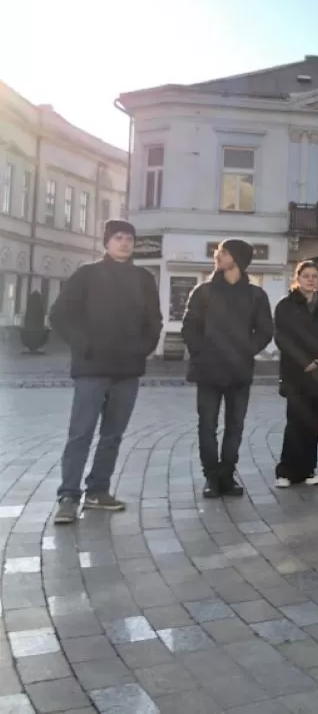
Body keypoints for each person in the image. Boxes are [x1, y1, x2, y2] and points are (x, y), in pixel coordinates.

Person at [49, 220, 162, 525]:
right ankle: (68, 496)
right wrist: (83, 344)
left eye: (129, 238)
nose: (124, 243)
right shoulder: (87, 274)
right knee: (80, 434)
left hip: (127, 370)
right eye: (118, 238)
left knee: (112, 435)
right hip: (91, 369)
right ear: (107, 242)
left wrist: (143, 348)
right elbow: (59, 315)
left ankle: (98, 491)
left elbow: (154, 320)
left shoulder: (144, 279)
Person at [181, 239, 274, 498]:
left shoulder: (256, 295)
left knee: (235, 426)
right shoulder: (204, 292)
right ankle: (211, 477)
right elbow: (189, 327)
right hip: (208, 371)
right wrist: (202, 351)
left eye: (223, 252)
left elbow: (266, 330)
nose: (217, 255)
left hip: (239, 371)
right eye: (218, 251)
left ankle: (227, 475)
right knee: (207, 426)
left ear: (238, 259)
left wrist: (246, 349)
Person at [273, 260, 318, 487]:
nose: (310, 280)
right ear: (297, 279)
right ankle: (286, 471)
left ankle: (308, 469)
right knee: (295, 422)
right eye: (306, 276)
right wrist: (304, 361)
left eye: (314, 276)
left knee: (313, 423)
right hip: (295, 373)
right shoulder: (286, 306)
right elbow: (282, 337)